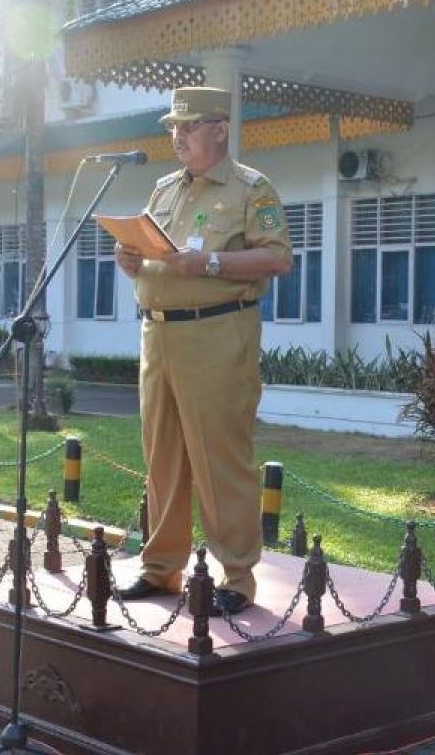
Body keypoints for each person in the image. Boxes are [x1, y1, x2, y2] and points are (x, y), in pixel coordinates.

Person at [112, 86, 292, 617]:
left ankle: (236, 576)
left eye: (188, 127)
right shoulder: (165, 190)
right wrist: (132, 262)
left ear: (220, 129)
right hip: (158, 336)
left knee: (220, 457)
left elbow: (278, 259)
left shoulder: (250, 189)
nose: (178, 137)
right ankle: (159, 567)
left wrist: (211, 265)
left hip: (217, 335)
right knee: (162, 455)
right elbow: (154, 255)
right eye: (173, 127)